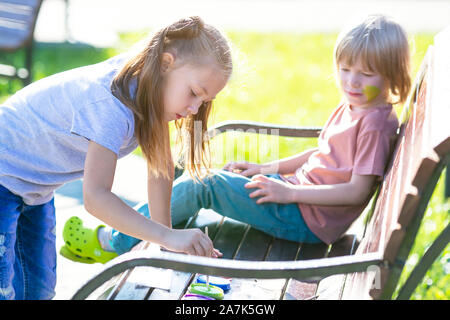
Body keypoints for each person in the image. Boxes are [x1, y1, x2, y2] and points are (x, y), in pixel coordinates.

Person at [64, 14, 411, 266]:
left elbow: (356, 191)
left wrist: (288, 192)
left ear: (393, 75)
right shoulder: (356, 106)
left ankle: (114, 242)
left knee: (204, 185)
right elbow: (321, 152)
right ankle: (159, 234)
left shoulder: (376, 124)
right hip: (298, 200)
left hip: (307, 220)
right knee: (196, 180)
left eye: (366, 74)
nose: (351, 81)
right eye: (345, 69)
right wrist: (268, 169)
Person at [0, 16, 232, 300]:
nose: (195, 109)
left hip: (31, 188)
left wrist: (166, 241)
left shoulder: (151, 87)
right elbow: (96, 197)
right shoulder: (111, 104)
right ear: (166, 63)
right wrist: (166, 237)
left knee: (38, 290)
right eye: (194, 93)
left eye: (204, 101)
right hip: (4, 178)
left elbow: (160, 167)